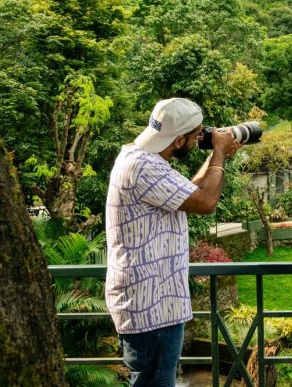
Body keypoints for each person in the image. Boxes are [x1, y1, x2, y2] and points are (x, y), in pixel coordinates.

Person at [105, 97, 241, 387]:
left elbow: (187, 192)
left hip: (152, 304)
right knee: (157, 382)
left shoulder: (138, 157)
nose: (200, 139)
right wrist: (218, 152)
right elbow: (206, 201)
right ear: (178, 140)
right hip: (151, 307)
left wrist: (215, 158)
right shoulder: (144, 167)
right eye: (196, 135)